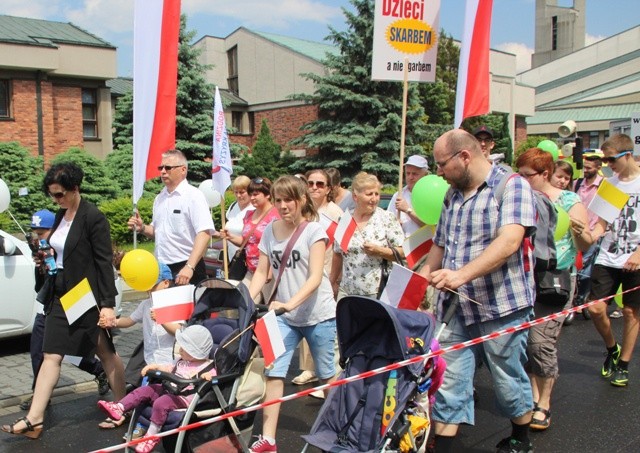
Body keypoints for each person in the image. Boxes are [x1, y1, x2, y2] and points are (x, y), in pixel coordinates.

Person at [418, 129, 536, 453]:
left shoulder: (512, 186)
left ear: (465, 157)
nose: (439, 172)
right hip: (455, 310)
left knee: (507, 378)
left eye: (442, 164)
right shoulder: (451, 195)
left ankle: (520, 438)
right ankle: (443, 446)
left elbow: (510, 241)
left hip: (502, 307)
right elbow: (439, 244)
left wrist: (461, 275)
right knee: (450, 381)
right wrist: (423, 279)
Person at [2, 163, 126, 439]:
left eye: (59, 195)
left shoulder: (93, 217)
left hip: (85, 297)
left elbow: (104, 262)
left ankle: (124, 404)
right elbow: (59, 253)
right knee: (51, 355)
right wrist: (43, 261)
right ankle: (34, 419)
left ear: (74, 189)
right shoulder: (60, 215)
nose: (55, 200)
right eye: (52, 195)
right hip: (60, 294)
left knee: (104, 352)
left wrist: (107, 303)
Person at [248, 175, 336, 453]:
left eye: (289, 199)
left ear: (301, 200)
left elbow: (315, 278)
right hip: (284, 318)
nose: (283, 205)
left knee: (327, 377)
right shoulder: (270, 231)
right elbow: (262, 272)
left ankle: (336, 432)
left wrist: (289, 303)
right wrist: (247, 303)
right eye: (278, 200)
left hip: (318, 314)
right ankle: (269, 440)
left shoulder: (314, 231)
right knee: (274, 373)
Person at [516, 148, 592, 431]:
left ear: (544, 174)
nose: (521, 180)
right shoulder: (522, 198)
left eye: (526, 176)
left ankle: (544, 403)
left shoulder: (569, 200)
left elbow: (585, 245)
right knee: (524, 342)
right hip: (524, 277)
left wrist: (578, 229)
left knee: (541, 342)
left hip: (555, 280)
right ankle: (533, 396)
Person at [21, 209, 110, 411]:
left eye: (42, 232)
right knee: (40, 351)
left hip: (76, 299)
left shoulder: (68, 245)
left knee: (80, 348)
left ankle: (101, 372)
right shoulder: (45, 252)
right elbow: (40, 287)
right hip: (51, 306)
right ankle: (40, 398)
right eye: (35, 232)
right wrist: (41, 267)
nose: (38, 237)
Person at [97, 325, 214, 453]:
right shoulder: (182, 361)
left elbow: (213, 376)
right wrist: (156, 367)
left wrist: (207, 377)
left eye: (184, 349)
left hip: (184, 398)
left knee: (161, 403)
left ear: (193, 351)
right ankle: (119, 407)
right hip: (170, 390)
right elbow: (169, 368)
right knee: (145, 390)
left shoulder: (206, 367)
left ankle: (151, 436)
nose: (180, 350)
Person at [95, 262, 182, 430]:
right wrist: (113, 322)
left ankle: (156, 424)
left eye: (154, 285)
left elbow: (179, 331)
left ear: (166, 282)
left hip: (170, 362)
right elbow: (129, 321)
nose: (150, 290)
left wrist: (162, 319)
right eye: (148, 286)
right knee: (145, 394)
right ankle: (139, 420)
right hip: (150, 360)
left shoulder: (174, 304)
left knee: (165, 396)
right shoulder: (145, 304)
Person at [587, 134, 640, 387]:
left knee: (631, 311)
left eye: (611, 159)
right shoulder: (610, 184)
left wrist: (639, 253)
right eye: (605, 160)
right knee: (595, 308)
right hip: (609, 254)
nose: (607, 164)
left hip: (636, 257)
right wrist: (588, 234)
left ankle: (624, 364)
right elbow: (601, 225)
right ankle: (612, 348)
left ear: (627, 154)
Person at [128, 150, 215, 286]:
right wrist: (143, 228)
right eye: (161, 168)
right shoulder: (159, 198)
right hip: (162, 267)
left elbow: (204, 233)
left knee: (188, 307)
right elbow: (158, 232)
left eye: (168, 167)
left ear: (183, 169)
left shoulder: (193, 196)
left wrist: (189, 267)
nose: (163, 171)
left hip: (185, 267)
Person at [291, 169, 343, 388]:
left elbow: (341, 248)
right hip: (303, 273)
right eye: (310, 183)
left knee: (325, 322)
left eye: (320, 184)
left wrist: (334, 279)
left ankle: (330, 371)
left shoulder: (336, 213)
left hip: (329, 269)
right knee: (303, 315)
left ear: (328, 189)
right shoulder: (304, 211)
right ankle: (308, 368)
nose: (314, 187)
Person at [329, 172, 404, 300]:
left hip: (376, 293)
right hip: (347, 292)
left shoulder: (386, 218)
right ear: (355, 196)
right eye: (369, 194)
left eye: (376, 194)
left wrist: (379, 251)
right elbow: (337, 253)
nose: (374, 199)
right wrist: (332, 282)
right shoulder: (345, 219)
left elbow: (402, 252)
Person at [219, 177, 280, 302]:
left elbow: (279, 245)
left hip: (271, 273)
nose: (252, 198)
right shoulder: (249, 215)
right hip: (252, 271)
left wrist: (269, 272)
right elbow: (246, 241)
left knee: (270, 311)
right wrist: (229, 237)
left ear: (268, 195)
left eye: (256, 194)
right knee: (244, 304)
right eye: (251, 194)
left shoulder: (276, 215)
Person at [574, 152, 604, 314]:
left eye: (589, 168)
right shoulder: (578, 184)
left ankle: (581, 298)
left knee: (585, 269)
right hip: (577, 232)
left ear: (598, 168)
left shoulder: (604, 186)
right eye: (584, 167)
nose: (585, 170)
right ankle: (575, 296)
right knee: (575, 267)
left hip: (594, 232)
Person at [387, 155, 429, 236]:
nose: (410, 177)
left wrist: (408, 210)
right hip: (402, 246)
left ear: (425, 175)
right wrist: (394, 225)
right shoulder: (398, 196)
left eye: (415, 174)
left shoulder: (431, 196)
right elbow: (387, 223)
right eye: (408, 173)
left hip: (424, 245)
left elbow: (431, 227)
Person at [222, 175, 255, 258]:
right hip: (231, 258)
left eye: (242, 192)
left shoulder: (254, 209)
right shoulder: (233, 206)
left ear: (249, 191)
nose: (238, 195)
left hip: (247, 258)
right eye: (236, 192)